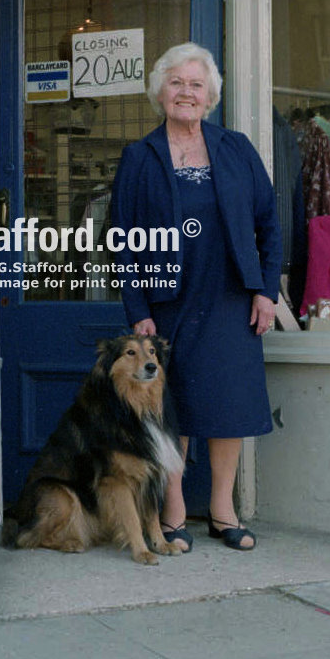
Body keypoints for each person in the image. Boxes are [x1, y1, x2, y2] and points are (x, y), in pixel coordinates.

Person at [109, 42, 281, 552]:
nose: (186, 92)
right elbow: (122, 237)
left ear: (211, 97)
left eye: (196, 85)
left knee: (228, 404)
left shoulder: (236, 148)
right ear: (160, 91)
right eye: (177, 83)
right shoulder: (140, 157)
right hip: (167, 301)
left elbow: (270, 224)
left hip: (230, 295)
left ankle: (224, 510)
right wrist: (137, 309)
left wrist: (265, 291)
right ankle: (174, 505)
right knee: (173, 408)